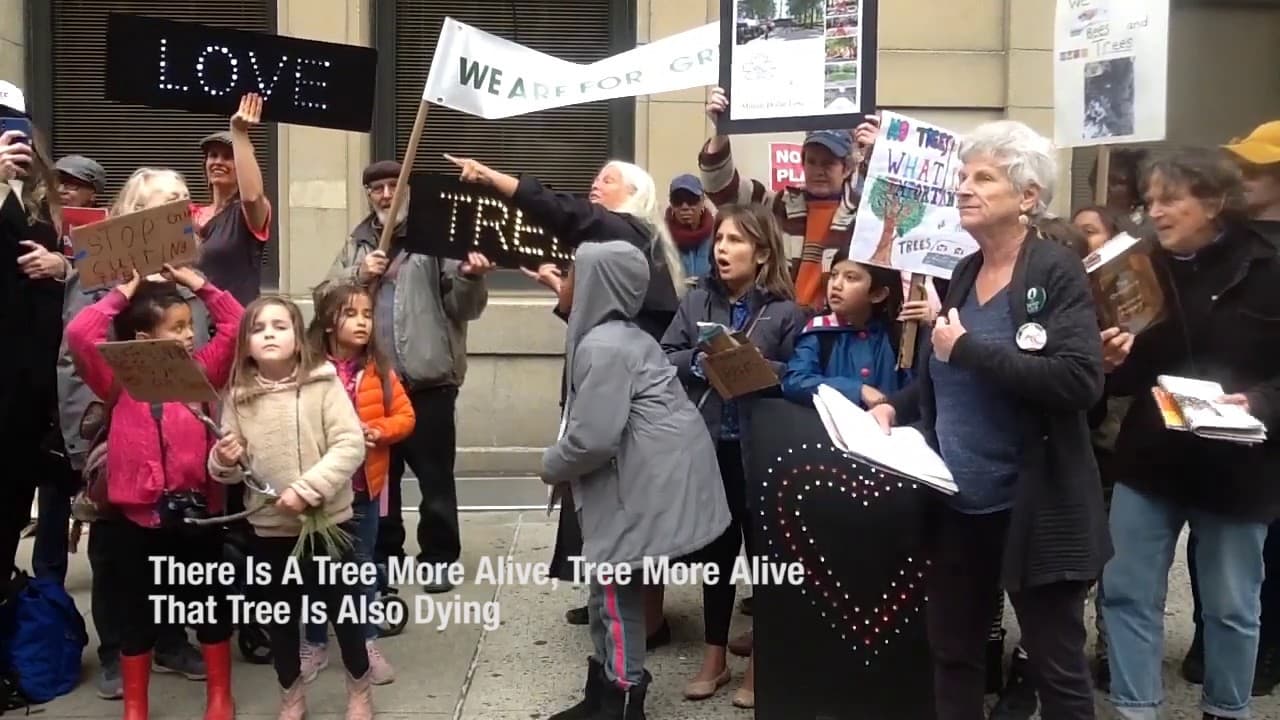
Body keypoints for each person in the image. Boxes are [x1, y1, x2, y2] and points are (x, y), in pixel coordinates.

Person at [872, 120, 1108, 720]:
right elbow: (943, 382)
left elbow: (1079, 381)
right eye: (962, 177)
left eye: (983, 177)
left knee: (1056, 669)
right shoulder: (965, 272)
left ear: (1028, 197)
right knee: (953, 654)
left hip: (1033, 506)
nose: (964, 189)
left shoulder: (1055, 272)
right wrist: (897, 406)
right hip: (959, 509)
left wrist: (970, 349)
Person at [453, 153, 680, 635]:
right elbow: (598, 314)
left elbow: (565, 212)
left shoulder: (626, 233)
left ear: (635, 196)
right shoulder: (623, 243)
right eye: (595, 178)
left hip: (626, 401)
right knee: (602, 504)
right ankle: (611, 602)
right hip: (610, 391)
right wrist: (562, 287)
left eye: (608, 180)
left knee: (628, 510)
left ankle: (643, 623)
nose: (595, 186)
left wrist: (494, 175)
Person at [1101, 147, 1280, 720]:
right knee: (1126, 591)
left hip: (1239, 463)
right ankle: (1135, 709)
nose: (1155, 210)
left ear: (1215, 201)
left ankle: (1226, 711)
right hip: (1152, 456)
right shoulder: (1138, 269)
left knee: (1231, 606)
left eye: (1171, 198)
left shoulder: (1269, 266)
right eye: (1150, 199)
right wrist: (1110, 360)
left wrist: (1258, 402)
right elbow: (1129, 371)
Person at [541, 240, 730, 720]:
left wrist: (551, 464)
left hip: (635, 488)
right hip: (646, 482)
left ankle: (622, 700)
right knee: (606, 587)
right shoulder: (624, 337)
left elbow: (593, 440)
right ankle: (605, 692)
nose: (560, 283)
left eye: (569, 275)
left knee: (614, 592)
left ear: (593, 287)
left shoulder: (603, 347)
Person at [64, 263, 244, 720]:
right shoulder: (117, 379)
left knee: (210, 605)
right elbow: (82, 334)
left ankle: (220, 696)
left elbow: (237, 325)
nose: (189, 336)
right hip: (137, 520)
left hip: (197, 514)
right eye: (178, 328)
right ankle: (136, 705)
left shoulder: (203, 369)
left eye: (190, 327)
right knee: (136, 615)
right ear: (144, 339)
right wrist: (122, 292)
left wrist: (199, 285)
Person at [57, 167, 210, 698]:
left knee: (172, 549)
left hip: (180, 443)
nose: (182, 208)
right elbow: (74, 355)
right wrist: (87, 445)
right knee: (115, 556)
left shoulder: (187, 271)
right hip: (115, 440)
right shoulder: (100, 268)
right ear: (136, 211)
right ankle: (117, 650)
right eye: (169, 200)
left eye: (185, 200)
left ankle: (169, 640)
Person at [661, 203, 807, 707]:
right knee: (717, 557)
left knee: (764, 559)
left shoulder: (788, 313)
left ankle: (762, 661)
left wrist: (762, 368)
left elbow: (803, 375)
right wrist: (700, 361)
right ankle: (715, 655)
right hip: (710, 447)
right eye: (719, 239)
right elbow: (666, 355)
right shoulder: (697, 301)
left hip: (763, 450)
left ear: (762, 252)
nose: (722, 249)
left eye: (735, 241)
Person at [328, 160, 493, 593]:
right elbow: (326, 300)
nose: (385, 195)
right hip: (377, 386)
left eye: (393, 187)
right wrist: (357, 277)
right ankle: (385, 554)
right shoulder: (358, 243)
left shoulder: (436, 238)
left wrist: (471, 278)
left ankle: (440, 556)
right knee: (382, 480)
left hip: (428, 381)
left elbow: (467, 308)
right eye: (376, 189)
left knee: (435, 477)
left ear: (407, 192)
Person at [209, 296, 372, 720]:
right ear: (245, 345)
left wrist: (308, 489)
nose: (269, 334)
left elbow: (350, 444)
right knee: (281, 621)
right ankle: (290, 693)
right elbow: (230, 469)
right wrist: (225, 459)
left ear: (298, 340)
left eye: (280, 326)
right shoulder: (239, 397)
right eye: (258, 328)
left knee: (345, 612)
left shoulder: (323, 383)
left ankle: (359, 687)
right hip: (270, 530)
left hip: (328, 524)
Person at [300, 280, 415, 686]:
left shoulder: (379, 371)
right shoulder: (308, 369)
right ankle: (313, 643)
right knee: (314, 572)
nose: (362, 322)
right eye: (351, 314)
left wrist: (379, 431)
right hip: (319, 492)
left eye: (367, 314)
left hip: (364, 490)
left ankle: (365, 642)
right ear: (329, 322)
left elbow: (405, 417)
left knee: (361, 568)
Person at [699, 85, 879, 310]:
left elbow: (902, 222)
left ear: (847, 168)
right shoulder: (778, 204)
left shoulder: (864, 212)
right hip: (778, 323)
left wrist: (881, 151)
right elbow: (722, 190)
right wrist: (720, 129)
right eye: (811, 161)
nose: (818, 170)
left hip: (834, 328)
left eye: (828, 163)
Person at [1221, 119, 1280, 694]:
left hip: (1267, 426)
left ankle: (1265, 652)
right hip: (1221, 420)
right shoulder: (1226, 240)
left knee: (1266, 557)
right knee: (1218, 558)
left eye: (1254, 167)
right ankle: (1212, 647)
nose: (1240, 177)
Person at [0, 80, 67, 584]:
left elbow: (86, 263)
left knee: (15, 501)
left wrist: (63, 265)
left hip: (33, 383)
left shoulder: (45, 199)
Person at [782, 247, 915, 407]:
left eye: (850, 278)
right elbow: (795, 381)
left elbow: (919, 388)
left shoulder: (899, 335)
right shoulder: (819, 332)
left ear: (878, 294)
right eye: (834, 275)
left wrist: (928, 324)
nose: (836, 285)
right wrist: (857, 390)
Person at [194, 93, 272, 307]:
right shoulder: (189, 214)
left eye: (228, 157)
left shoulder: (246, 214)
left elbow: (252, 196)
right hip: (192, 326)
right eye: (213, 155)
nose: (218, 162)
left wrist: (239, 132)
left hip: (233, 324)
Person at [667, 173, 714, 279]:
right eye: (678, 200)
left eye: (691, 199)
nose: (685, 207)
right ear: (671, 203)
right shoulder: (661, 238)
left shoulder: (717, 235)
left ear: (702, 201)